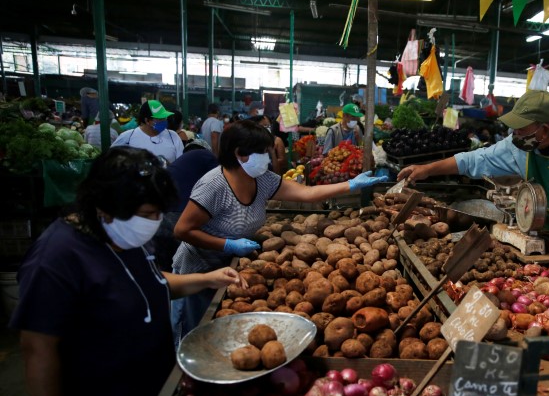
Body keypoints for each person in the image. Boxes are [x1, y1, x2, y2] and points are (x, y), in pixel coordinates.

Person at [11, 146, 244, 396]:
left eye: (156, 214)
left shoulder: (125, 234)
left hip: (149, 392)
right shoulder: (56, 257)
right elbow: (37, 347)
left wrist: (205, 279)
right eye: (149, 213)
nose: (155, 223)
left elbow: (149, 282)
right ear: (104, 208)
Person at [171, 120, 387, 341]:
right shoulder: (214, 186)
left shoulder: (261, 179)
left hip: (231, 266)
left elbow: (306, 193)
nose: (268, 157)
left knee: (221, 334)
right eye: (263, 152)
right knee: (195, 332)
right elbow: (182, 230)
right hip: (198, 269)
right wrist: (226, 244)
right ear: (240, 154)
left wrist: (350, 185)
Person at [398, 90, 549, 250]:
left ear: (545, 129)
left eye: (521, 129)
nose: (515, 135)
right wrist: (427, 169)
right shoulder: (519, 145)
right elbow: (475, 159)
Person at [152, 139, 218, 270]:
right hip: (178, 215)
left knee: (166, 269)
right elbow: (223, 184)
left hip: (158, 217)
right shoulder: (206, 155)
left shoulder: (181, 164)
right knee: (190, 266)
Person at [112, 100, 184, 164]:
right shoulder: (127, 138)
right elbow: (112, 161)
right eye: (160, 119)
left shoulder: (173, 136)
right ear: (147, 121)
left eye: (165, 118)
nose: (164, 120)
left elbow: (181, 164)